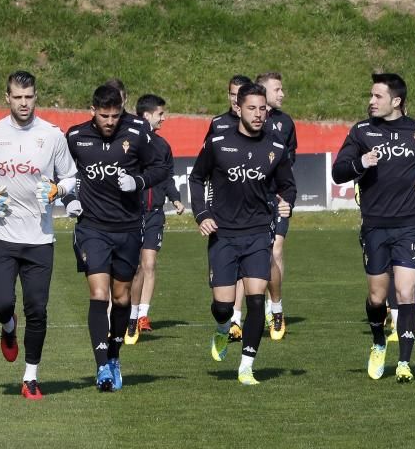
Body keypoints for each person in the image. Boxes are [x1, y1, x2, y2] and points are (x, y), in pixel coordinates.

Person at [0, 70, 77, 400]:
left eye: (29, 97)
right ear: (7, 98)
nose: (24, 103)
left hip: (40, 238)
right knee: (0, 304)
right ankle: (7, 326)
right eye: (18, 97)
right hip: (0, 234)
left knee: (38, 310)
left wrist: (57, 190)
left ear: (36, 97)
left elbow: (71, 176)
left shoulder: (53, 135)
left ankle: (30, 377)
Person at [332, 73, 415, 383]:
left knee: (406, 291)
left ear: (396, 101)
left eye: (377, 96)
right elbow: (339, 171)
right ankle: (378, 342)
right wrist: (361, 164)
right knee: (376, 297)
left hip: (412, 223)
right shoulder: (360, 132)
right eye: (370, 96)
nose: (371, 101)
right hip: (375, 226)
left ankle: (404, 363)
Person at [64, 83, 171, 391]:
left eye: (114, 116)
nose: (109, 122)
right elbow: (60, 173)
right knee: (99, 294)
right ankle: (101, 368)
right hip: (92, 227)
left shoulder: (138, 131)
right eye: (103, 116)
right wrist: (68, 198)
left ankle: (113, 356)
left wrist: (138, 181)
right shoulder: (75, 136)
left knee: (122, 296)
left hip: (127, 228)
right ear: (92, 111)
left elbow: (161, 168)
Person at [189, 83, 296, 385]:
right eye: (252, 108)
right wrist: (202, 214)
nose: (259, 114)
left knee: (255, 301)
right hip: (223, 234)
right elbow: (197, 178)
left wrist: (286, 202)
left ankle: (246, 366)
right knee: (222, 307)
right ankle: (223, 330)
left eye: (263, 108)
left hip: (258, 234)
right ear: (238, 108)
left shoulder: (276, 147)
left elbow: (288, 185)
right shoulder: (218, 143)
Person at [125, 94, 185, 344]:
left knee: (148, 264)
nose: (164, 118)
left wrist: (175, 198)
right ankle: (128, 313)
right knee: (133, 268)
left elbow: (167, 177)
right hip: (131, 214)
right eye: (160, 113)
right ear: (146, 115)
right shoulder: (129, 143)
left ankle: (142, 316)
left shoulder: (162, 146)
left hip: (154, 215)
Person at [204, 75, 253, 341]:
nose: (236, 100)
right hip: (223, 209)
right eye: (232, 94)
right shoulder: (217, 124)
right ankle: (226, 317)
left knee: (247, 269)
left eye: (240, 95)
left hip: (251, 211)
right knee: (226, 269)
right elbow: (206, 165)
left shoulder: (262, 127)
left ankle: (237, 318)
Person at [257, 72, 297, 340]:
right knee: (258, 254)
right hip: (254, 199)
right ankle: (254, 308)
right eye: (277, 89)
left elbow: (290, 158)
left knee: (277, 249)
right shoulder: (248, 120)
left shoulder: (286, 122)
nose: (282, 94)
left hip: (279, 198)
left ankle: (275, 310)